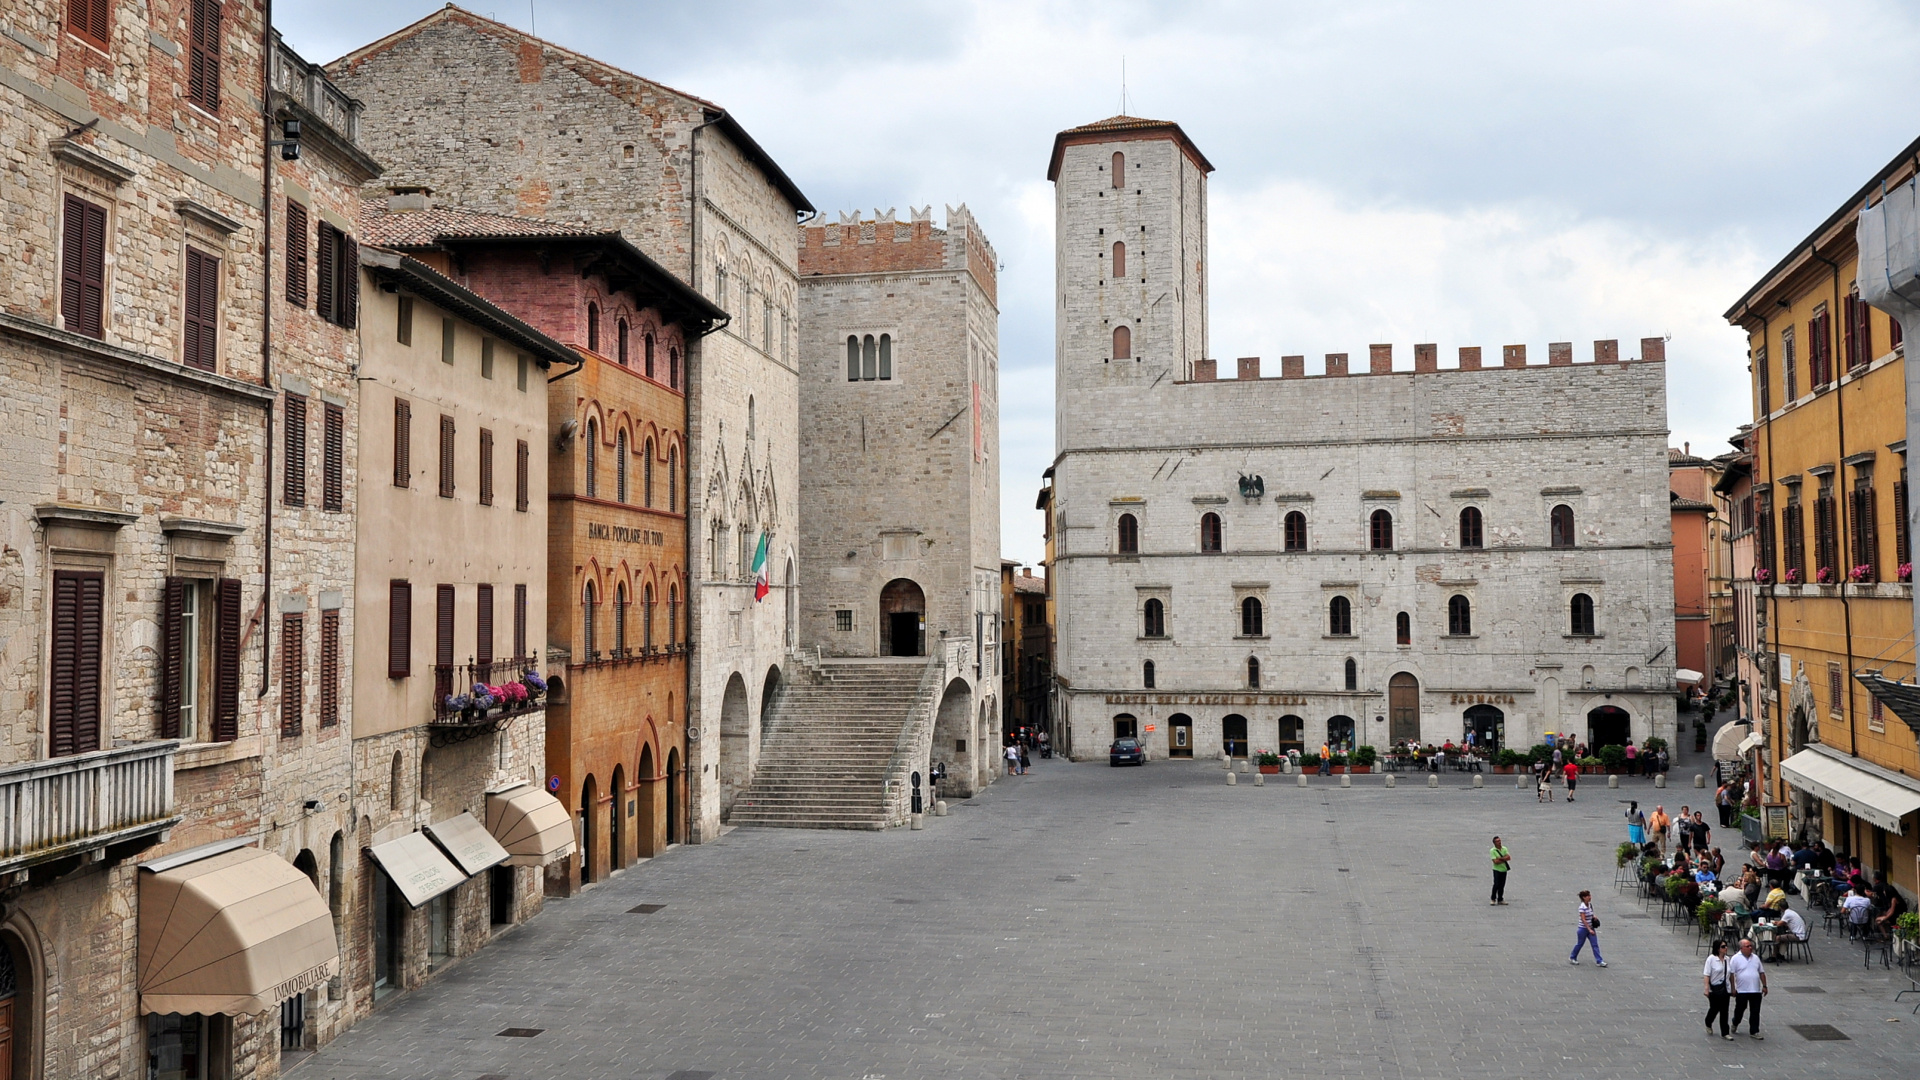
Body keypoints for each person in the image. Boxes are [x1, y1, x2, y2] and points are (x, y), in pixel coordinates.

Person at [1727, 938, 1767, 1039]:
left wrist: (1764, 986)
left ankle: (1754, 1031)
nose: (1750, 948)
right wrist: (1733, 988)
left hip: (1755, 990)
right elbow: (1732, 974)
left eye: (1751, 946)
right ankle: (1735, 1022)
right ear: (1741, 948)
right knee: (1740, 1009)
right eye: (1747, 946)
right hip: (1742, 990)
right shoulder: (1735, 958)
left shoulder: (1755, 958)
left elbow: (1761, 972)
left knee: (1755, 1011)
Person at [1703, 940, 1733, 1039]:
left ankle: (1725, 1032)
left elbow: (1731, 975)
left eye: (1726, 946)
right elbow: (1707, 975)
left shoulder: (1727, 959)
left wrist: (1733, 988)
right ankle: (1708, 1022)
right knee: (1714, 1009)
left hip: (1725, 988)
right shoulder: (1711, 959)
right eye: (1723, 946)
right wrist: (1707, 988)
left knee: (1725, 1010)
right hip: (1714, 989)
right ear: (1718, 948)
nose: (1726, 948)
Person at [1569, 890, 1606, 966]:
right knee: (1580, 944)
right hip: (1583, 929)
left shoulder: (1589, 905)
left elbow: (1590, 914)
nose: (1590, 897)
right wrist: (1589, 929)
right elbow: (1583, 919)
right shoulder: (1582, 907)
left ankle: (1599, 961)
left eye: (1590, 896)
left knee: (1595, 944)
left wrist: (1593, 917)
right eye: (1588, 896)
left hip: (1591, 927)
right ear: (1583, 897)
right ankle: (1573, 957)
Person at [1489, 836, 1512, 905]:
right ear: (1494, 843)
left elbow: (1509, 857)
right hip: (1497, 869)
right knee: (1496, 884)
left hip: (1504, 869)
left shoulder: (1504, 848)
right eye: (1498, 841)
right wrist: (1504, 858)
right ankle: (1493, 898)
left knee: (1502, 885)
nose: (1499, 842)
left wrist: (1500, 859)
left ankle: (1500, 899)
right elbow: (1495, 861)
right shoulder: (1492, 850)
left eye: (1500, 841)